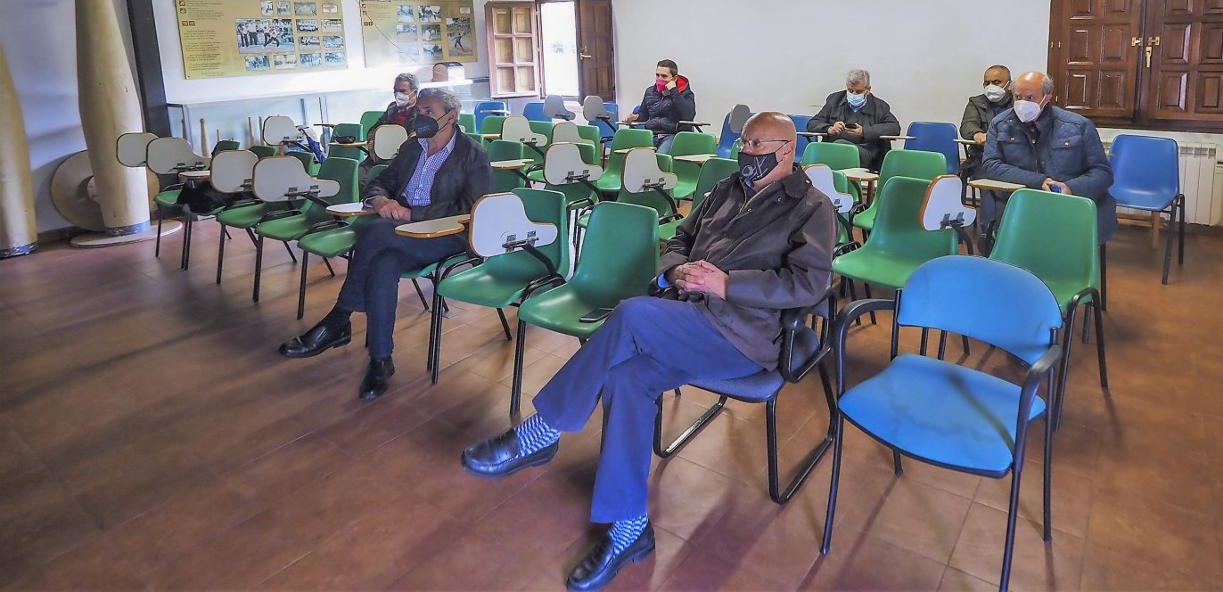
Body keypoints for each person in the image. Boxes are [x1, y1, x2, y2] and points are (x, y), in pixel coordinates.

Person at [461, 112, 834, 591]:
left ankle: (542, 431)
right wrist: (673, 272)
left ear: (788, 150)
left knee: (633, 315)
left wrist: (728, 284)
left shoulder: (810, 206)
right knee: (626, 379)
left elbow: (810, 283)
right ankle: (630, 528)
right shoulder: (724, 189)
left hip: (741, 334)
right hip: (682, 317)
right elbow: (677, 239)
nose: (747, 154)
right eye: (743, 144)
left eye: (758, 147)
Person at [279, 88, 491, 401]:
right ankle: (380, 359)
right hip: (400, 232)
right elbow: (380, 181)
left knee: (375, 234)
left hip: (446, 235)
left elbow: (471, 206)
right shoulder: (411, 147)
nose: (422, 118)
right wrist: (379, 199)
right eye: (420, 111)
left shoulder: (472, 154)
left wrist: (411, 213)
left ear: (452, 116)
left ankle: (339, 319)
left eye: (429, 112)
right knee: (382, 263)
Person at [981, 71, 1117, 242]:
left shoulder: (1078, 126)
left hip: (1068, 204)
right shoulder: (1000, 124)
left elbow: (1102, 173)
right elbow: (991, 164)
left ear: (1047, 97)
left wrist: (1070, 187)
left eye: (1030, 98)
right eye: (1018, 97)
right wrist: (1039, 181)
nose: (1022, 103)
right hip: (1021, 201)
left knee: (1062, 242)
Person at [807, 68, 900, 171]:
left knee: (841, 146)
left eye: (859, 91)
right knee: (823, 150)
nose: (854, 94)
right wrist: (829, 129)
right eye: (850, 90)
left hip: (866, 152)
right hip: (834, 148)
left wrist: (864, 131)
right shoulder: (834, 100)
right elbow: (812, 123)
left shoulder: (879, 106)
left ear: (868, 89)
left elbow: (894, 127)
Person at [619, 59, 695, 154]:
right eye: (657, 75)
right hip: (650, 134)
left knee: (660, 158)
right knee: (632, 155)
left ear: (674, 78)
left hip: (672, 135)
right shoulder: (650, 92)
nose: (660, 79)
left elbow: (688, 115)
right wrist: (635, 117)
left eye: (664, 76)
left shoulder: (684, 93)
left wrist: (674, 91)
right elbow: (644, 114)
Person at [359, 73, 422, 188]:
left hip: (403, 160)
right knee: (359, 175)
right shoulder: (392, 108)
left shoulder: (422, 111)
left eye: (403, 91)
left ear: (415, 92)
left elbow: (417, 137)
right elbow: (374, 129)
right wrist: (373, 144)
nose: (398, 94)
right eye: (395, 91)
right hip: (379, 157)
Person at [960, 65, 1014, 177]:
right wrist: (976, 134)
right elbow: (967, 125)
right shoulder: (976, 102)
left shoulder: (1018, 103)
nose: (991, 86)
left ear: (1010, 84)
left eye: (996, 82)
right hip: (983, 157)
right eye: (986, 83)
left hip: (1013, 158)